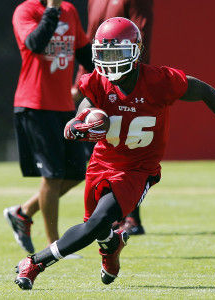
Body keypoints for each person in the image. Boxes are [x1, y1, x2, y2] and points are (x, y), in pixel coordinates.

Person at [13, 17, 215, 290]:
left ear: (136, 51)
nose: (111, 61)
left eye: (118, 54)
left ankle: (35, 263)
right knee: (98, 228)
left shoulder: (160, 80)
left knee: (96, 224)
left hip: (138, 169)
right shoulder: (97, 82)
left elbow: (207, 92)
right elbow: (82, 111)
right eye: (106, 54)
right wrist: (76, 125)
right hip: (102, 163)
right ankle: (112, 247)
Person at [3, 0, 95, 254]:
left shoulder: (70, 10)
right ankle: (55, 246)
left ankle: (22, 213)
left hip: (65, 107)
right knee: (52, 176)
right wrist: (52, 10)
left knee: (76, 174)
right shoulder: (25, 11)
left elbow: (85, 54)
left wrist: (83, 86)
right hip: (35, 106)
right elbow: (36, 43)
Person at [72, 0, 154, 235]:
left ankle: (130, 217)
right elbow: (91, 36)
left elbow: (140, 35)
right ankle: (113, 216)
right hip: (101, 73)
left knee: (128, 148)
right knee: (104, 146)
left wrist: (134, 82)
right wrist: (83, 74)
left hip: (127, 76)